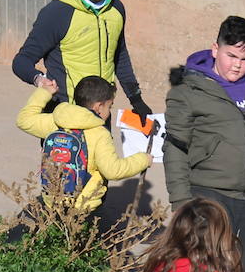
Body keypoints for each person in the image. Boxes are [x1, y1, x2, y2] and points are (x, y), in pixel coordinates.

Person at [164, 16, 245, 264]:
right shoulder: (187, 92)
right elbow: (175, 150)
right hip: (208, 197)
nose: (237, 65)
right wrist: (181, 202)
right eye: (231, 56)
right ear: (215, 49)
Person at [11, 0, 153, 121]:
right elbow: (22, 61)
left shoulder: (116, 9)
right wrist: (39, 80)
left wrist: (136, 99)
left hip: (101, 112)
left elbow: (119, 55)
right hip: (65, 115)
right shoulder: (58, 12)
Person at [15, 75, 151, 214]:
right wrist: (143, 159)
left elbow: (23, 120)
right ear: (99, 107)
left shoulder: (58, 122)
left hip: (52, 199)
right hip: (82, 207)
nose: (109, 111)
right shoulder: (99, 134)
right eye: (110, 106)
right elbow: (112, 170)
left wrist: (44, 92)